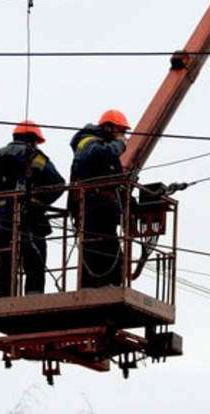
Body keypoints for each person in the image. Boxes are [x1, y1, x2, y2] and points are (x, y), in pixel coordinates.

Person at [0, 120, 65, 298]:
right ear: (32, 139)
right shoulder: (35, 156)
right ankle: (34, 296)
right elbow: (58, 184)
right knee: (35, 259)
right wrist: (40, 201)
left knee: (6, 260)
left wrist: (4, 201)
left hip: (4, 218)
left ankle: (3, 297)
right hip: (31, 217)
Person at [69, 109, 130, 289]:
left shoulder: (106, 149)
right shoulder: (87, 141)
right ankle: (95, 286)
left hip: (105, 208)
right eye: (121, 131)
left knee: (111, 250)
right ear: (108, 127)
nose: (123, 135)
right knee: (96, 246)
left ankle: (109, 285)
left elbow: (117, 181)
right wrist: (119, 145)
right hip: (92, 205)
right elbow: (95, 154)